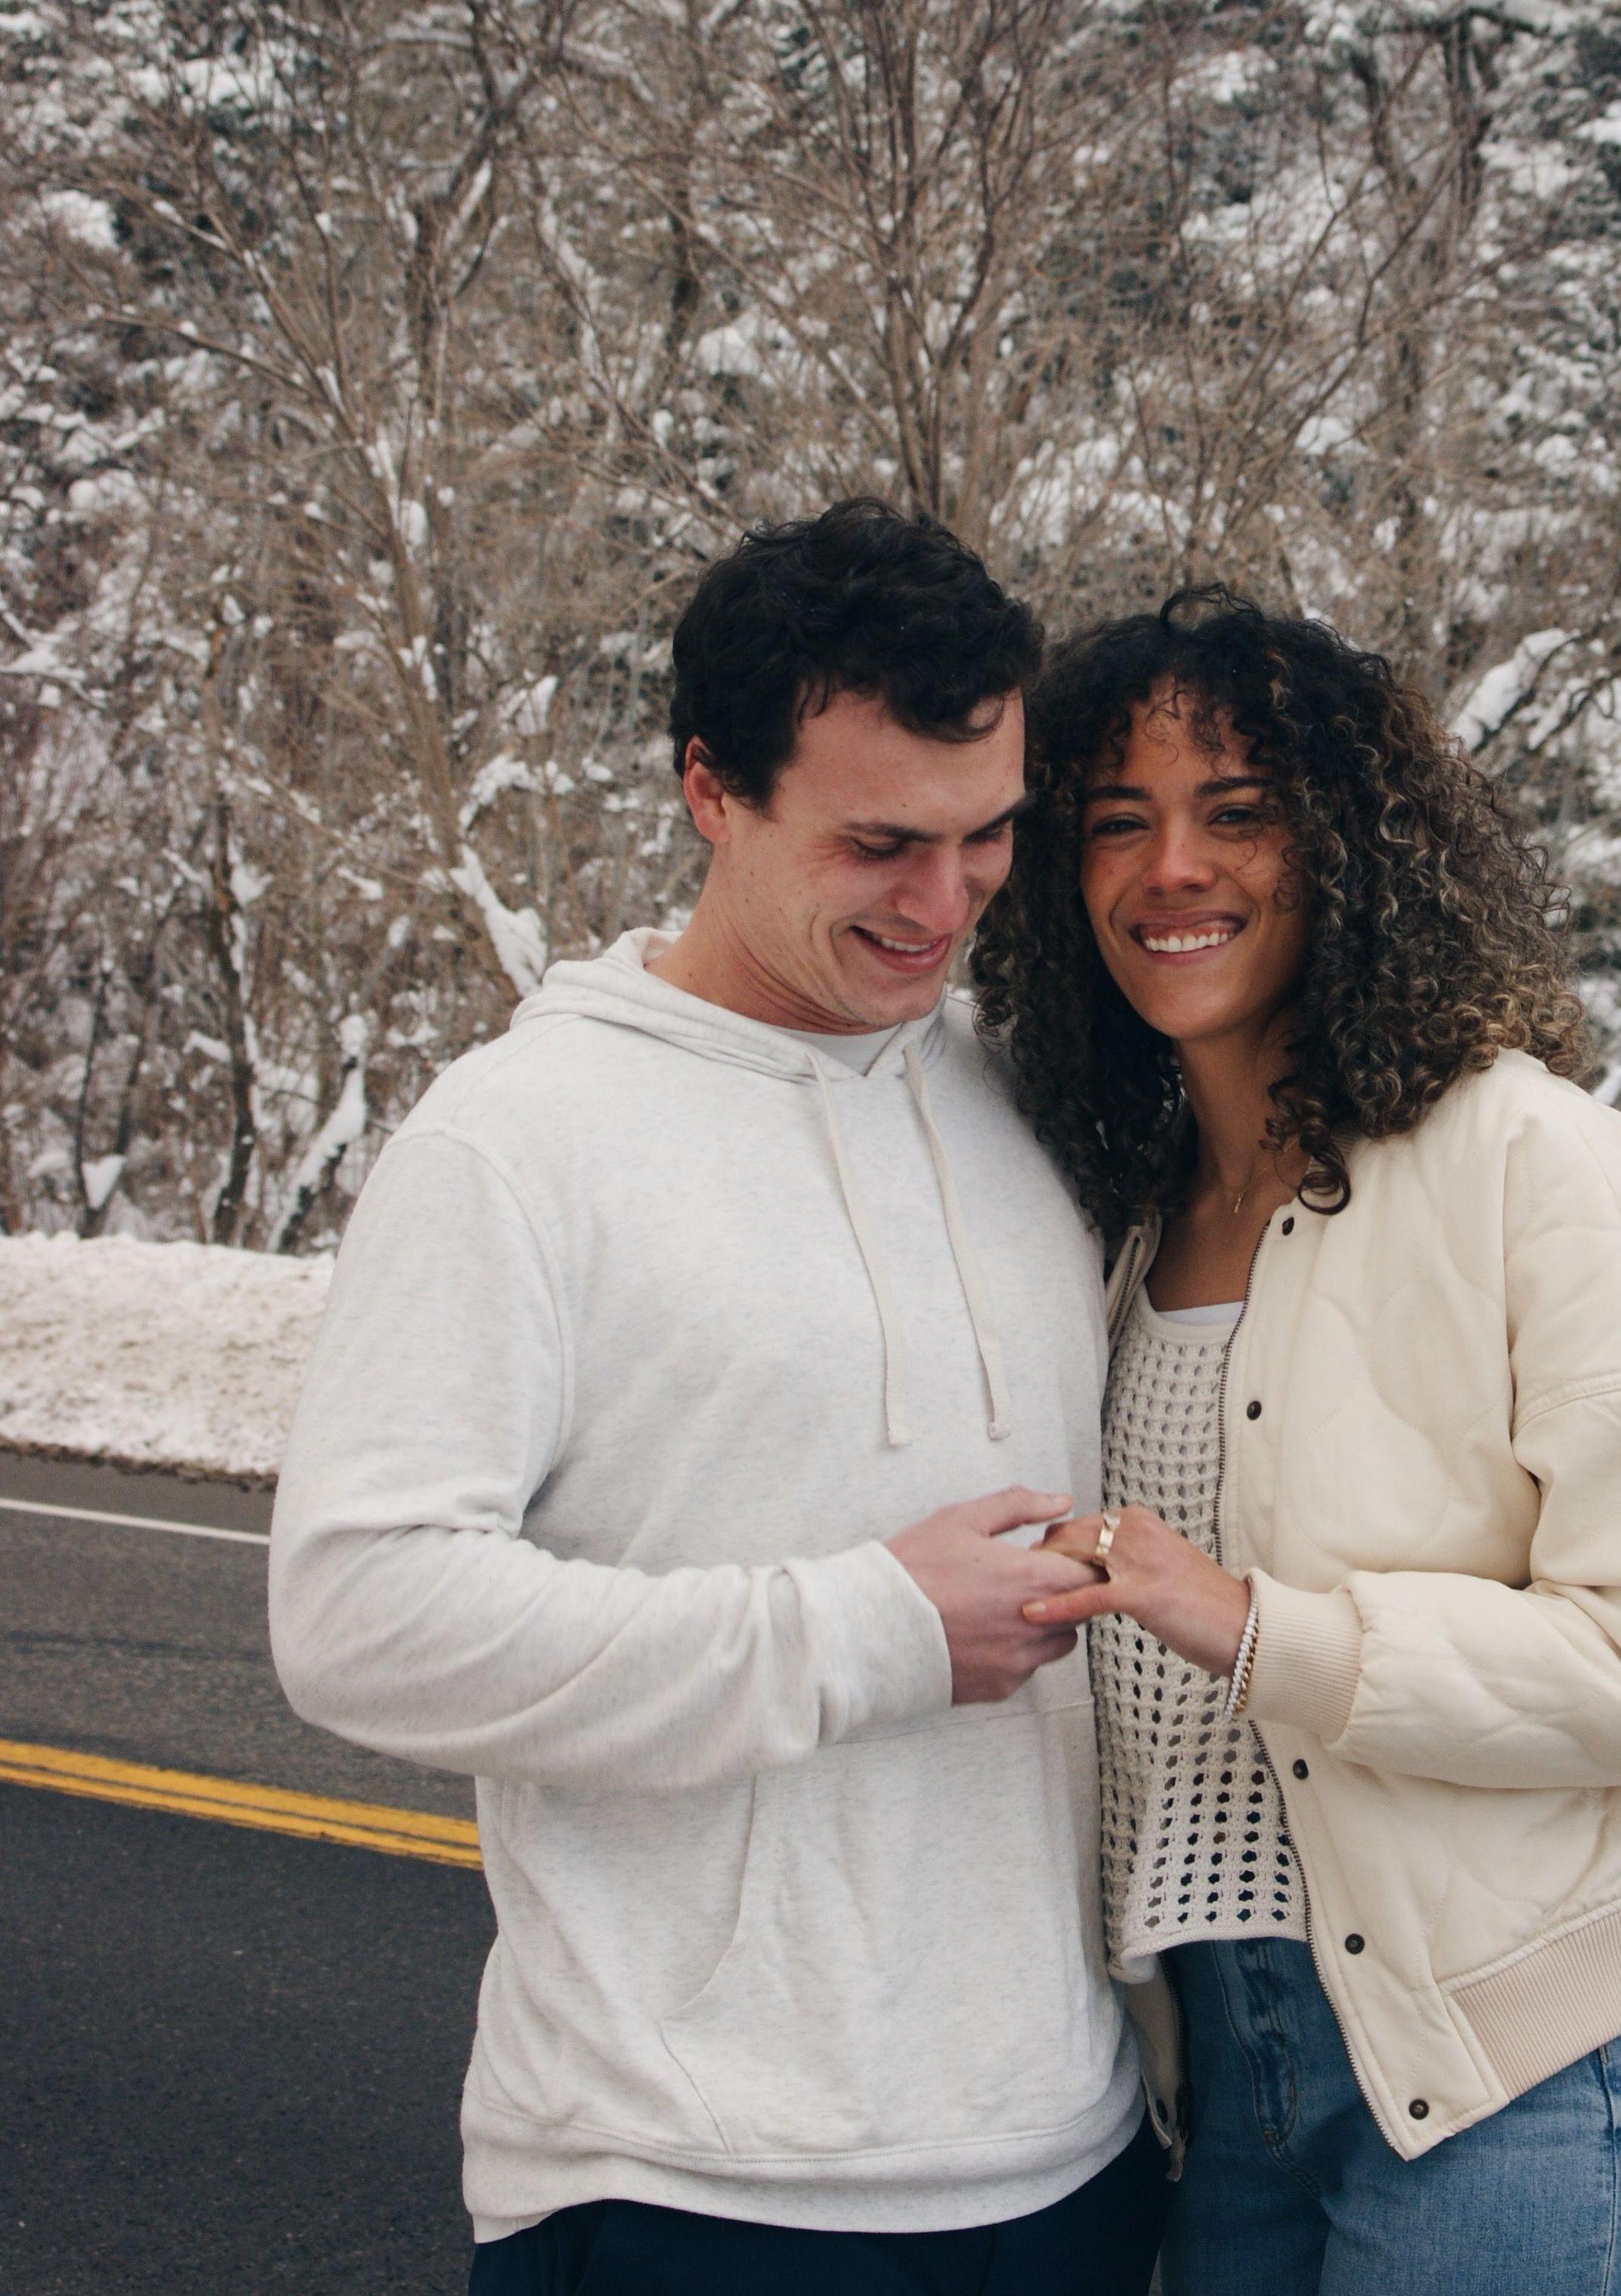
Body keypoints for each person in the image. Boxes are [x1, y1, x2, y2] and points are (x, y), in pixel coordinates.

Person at [269, 501, 1164, 2295]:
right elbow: (357, 1614)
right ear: (711, 791)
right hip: (689, 2178)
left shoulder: (1028, 1102)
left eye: (988, 836)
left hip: (1067, 2158)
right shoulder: (521, 1143)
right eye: (879, 845)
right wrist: (862, 1630)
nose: (944, 903)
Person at [969, 588, 1621, 2296]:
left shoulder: (1530, 1161)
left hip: (1516, 2089)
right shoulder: (1132, 1223)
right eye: (1117, 823)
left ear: (1348, 847)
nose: (1170, 870)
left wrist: (1262, 1629)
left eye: (1236, 812)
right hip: (1231, 2087)